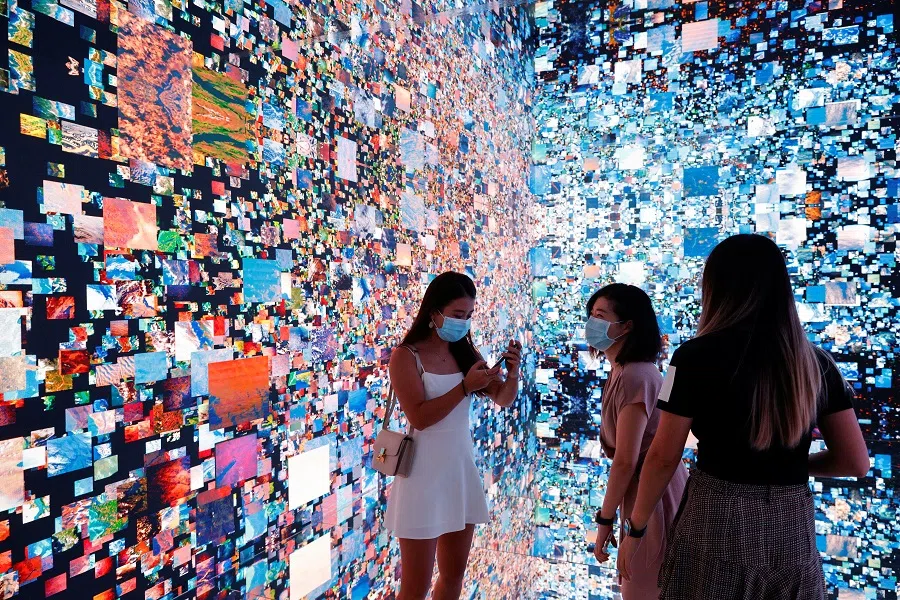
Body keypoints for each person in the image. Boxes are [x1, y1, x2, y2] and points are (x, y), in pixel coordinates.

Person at [616, 234, 869, 600]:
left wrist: (634, 530)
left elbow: (663, 457)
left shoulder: (693, 358)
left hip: (717, 520)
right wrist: (788, 464)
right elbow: (855, 461)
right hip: (793, 525)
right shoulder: (815, 363)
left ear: (716, 289)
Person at [383, 272, 522, 600]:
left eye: (469, 315)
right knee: (415, 589)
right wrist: (464, 388)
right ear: (434, 312)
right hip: (422, 477)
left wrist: (513, 373)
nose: (464, 322)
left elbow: (502, 398)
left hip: (459, 472)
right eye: (458, 315)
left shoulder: (465, 353)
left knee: (452, 577)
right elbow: (418, 417)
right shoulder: (406, 356)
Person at [584, 283, 688, 600]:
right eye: (590, 315)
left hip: (652, 497)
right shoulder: (621, 371)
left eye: (600, 316)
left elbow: (626, 461)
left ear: (627, 325)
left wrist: (604, 520)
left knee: (642, 585)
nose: (591, 323)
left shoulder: (634, 376)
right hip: (645, 493)